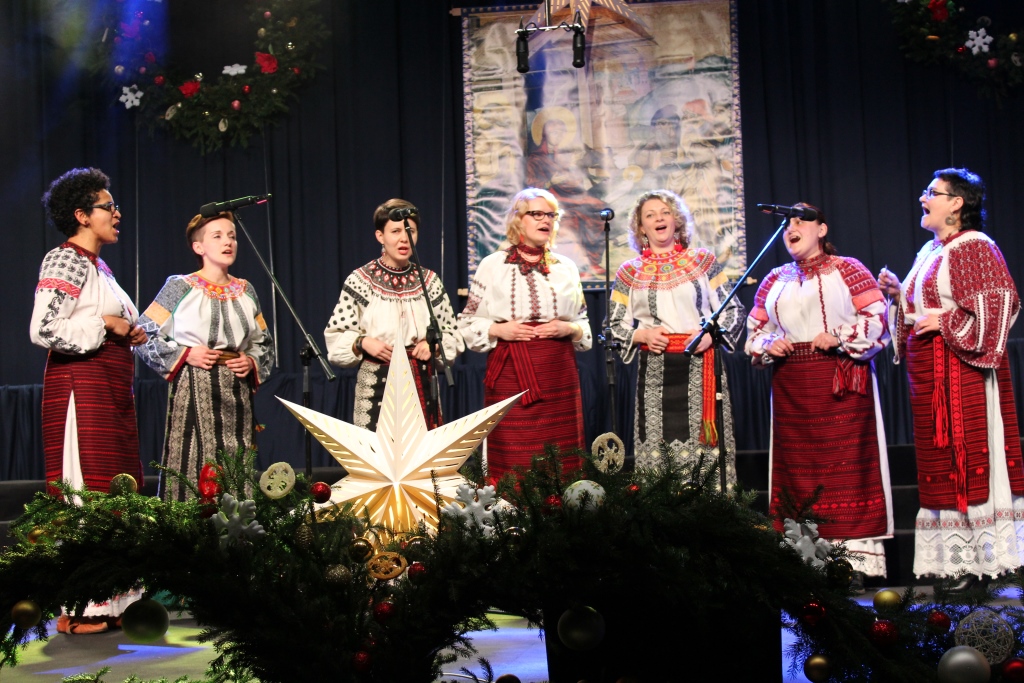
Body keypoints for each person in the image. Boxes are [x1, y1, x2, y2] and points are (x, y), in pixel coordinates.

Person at [878, 168, 1023, 589]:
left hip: (962, 371)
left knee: (966, 454)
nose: (923, 198)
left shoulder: (973, 246)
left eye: (932, 192)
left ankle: (983, 561)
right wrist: (898, 295)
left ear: (957, 203)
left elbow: (1000, 305)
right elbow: (921, 311)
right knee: (941, 460)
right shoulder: (930, 251)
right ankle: (955, 561)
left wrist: (946, 322)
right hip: (929, 375)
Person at [745, 203, 893, 589]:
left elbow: (878, 319)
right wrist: (769, 343)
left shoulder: (849, 269)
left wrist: (840, 335)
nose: (791, 227)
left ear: (822, 229)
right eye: (787, 224)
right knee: (799, 476)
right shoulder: (774, 278)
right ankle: (806, 561)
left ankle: (851, 564)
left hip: (840, 381)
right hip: (793, 386)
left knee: (848, 471)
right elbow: (754, 331)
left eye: (801, 221)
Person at [31, 167, 147, 634]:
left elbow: (115, 319)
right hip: (82, 389)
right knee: (86, 493)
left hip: (111, 389)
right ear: (81, 215)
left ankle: (112, 601)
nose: (117, 214)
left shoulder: (99, 267)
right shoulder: (65, 259)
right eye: (108, 206)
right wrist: (106, 324)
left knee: (116, 491)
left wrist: (130, 329)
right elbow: (44, 329)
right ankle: (80, 606)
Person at [136, 212, 274, 502]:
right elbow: (142, 334)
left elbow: (264, 342)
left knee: (237, 459)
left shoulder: (246, 290)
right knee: (194, 457)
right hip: (195, 383)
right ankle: (187, 521)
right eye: (218, 236)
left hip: (236, 388)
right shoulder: (180, 286)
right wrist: (185, 353)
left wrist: (250, 360)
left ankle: (238, 522)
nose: (228, 242)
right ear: (198, 247)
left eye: (232, 236)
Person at [607, 189, 742, 483]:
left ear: (676, 220)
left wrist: (710, 335)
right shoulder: (629, 272)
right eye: (650, 215)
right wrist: (642, 334)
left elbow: (732, 311)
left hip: (701, 367)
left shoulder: (703, 261)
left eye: (665, 212)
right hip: (655, 373)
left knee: (706, 455)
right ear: (641, 227)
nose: (659, 218)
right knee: (659, 456)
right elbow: (614, 326)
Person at [458, 187, 592, 481]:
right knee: (515, 454)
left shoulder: (566, 267)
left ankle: (565, 507)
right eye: (537, 214)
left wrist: (569, 328)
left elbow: (583, 324)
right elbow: (467, 323)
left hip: (558, 373)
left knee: (562, 455)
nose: (546, 220)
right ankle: (510, 507)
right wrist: (498, 329)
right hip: (511, 373)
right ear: (518, 219)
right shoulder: (493, 265)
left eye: (551, 215)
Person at [324, 198, 462, 431]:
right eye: (395, 231)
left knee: (422, 450)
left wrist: (433, 346)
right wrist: (362, 342)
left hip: (421, 381)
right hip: (377, 382)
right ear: (380, 236)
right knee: (377, 450)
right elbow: (336, 337)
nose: (404, 238)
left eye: (410, 231)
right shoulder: (360, 280)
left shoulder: (430, 281)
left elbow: (451, 334)